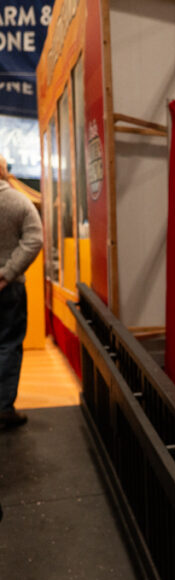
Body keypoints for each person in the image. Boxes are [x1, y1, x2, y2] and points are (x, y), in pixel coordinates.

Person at [0, 155, 43, 431]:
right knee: (8, 345)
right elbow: (34, 239)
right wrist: (7, 274)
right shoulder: (18, 201)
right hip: (10, 289)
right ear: (3, 170)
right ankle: (3, 409)